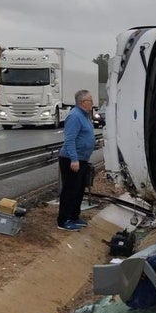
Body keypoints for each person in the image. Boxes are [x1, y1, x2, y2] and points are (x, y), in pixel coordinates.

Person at [57, 89, 96, 231]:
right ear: (82, 102)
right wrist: (74, 159)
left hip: (82, 159)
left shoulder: (85, 116)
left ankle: (74, 216)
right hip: (71, 160)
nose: (92, 103)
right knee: (70, 189)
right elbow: (69, 139)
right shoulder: (74, 116)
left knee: (79, 189)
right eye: (90, 101)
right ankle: (63, 220)